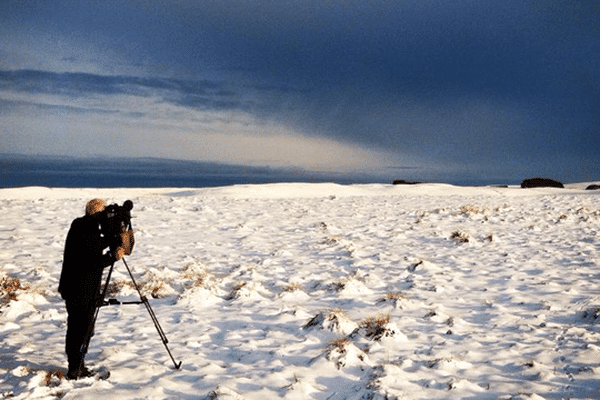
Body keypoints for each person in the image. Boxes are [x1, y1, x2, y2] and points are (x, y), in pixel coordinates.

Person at [58, 199, 134, 380]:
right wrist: (112, 256)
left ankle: (77, 365)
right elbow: (90, 261)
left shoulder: (84, 228)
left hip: (82, 288)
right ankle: (75, 368)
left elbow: (96, 245)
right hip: (78, 289)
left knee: (83, 327)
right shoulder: (83, 228)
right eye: (103, 213)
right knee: (79, 328)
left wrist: (117, 236)